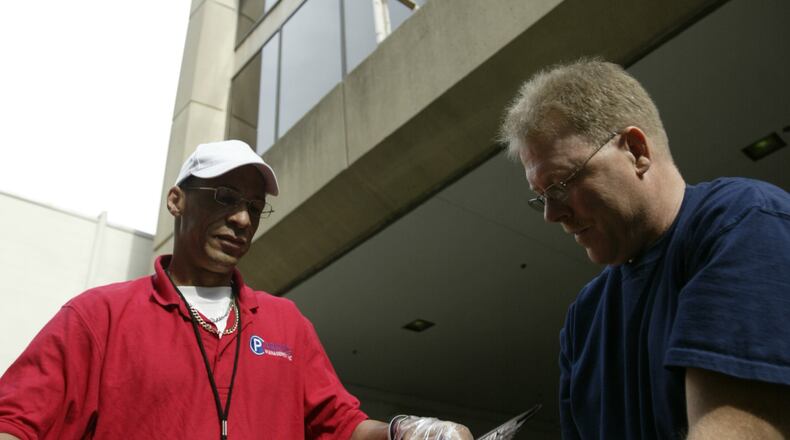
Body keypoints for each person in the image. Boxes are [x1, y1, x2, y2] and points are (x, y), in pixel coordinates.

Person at [0, 140, 473, 440]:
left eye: (253, 206)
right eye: (225, 197)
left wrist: (406, 432)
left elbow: (341, 424)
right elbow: (15, 422)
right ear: (176, 199)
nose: (243, 219)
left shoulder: (287, 323)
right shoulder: (99, 316)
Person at [499, 59, 790, 439]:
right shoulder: (583, 320)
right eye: (541, 197)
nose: (552, 215)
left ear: (636, 150)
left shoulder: (742, 222)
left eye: (560, 185)